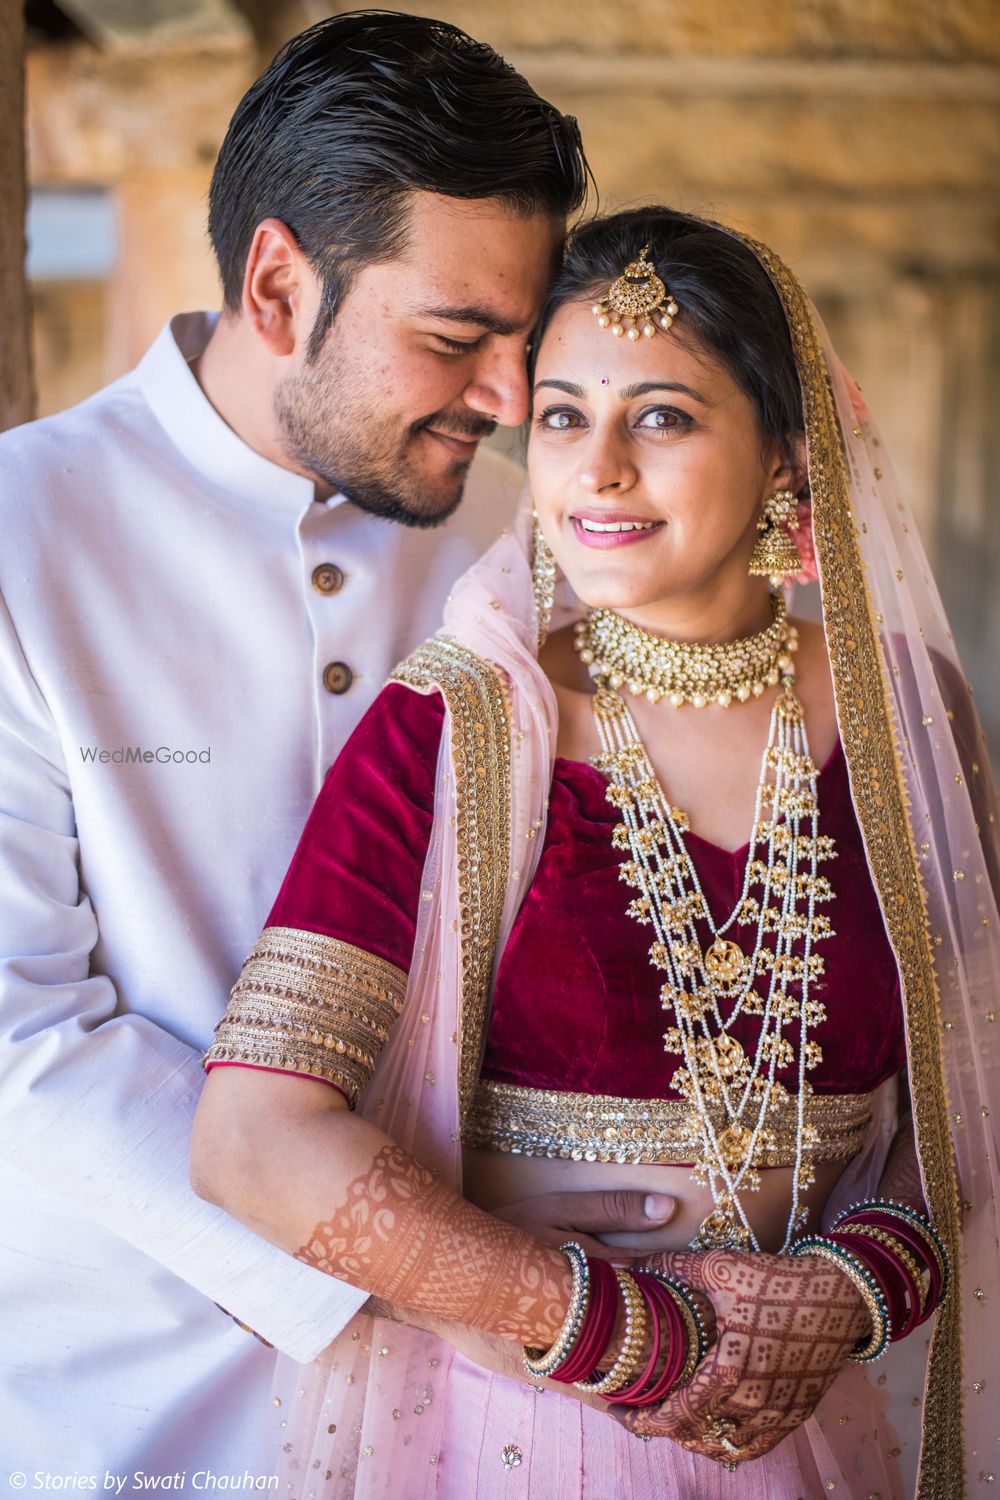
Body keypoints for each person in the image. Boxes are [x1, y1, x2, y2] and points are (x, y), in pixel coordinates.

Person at [192, 207, 999, 1498]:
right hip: (534, 1415)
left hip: (812, 1413)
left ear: (789, 455)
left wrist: (850, 1288)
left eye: (663, 418)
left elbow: (976, 1074)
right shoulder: (455, 724)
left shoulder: (906, 716)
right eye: (563, 418)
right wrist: (623, 1331)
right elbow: (252, 1140)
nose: (596, 470)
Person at [0, 12, 681, 1482]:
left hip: (516, 1416)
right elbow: (18, 1039)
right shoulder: (19, 537)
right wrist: (441, 1283)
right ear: (277, 282)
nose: (509, 401)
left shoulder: (536, 544)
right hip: (131, 1415)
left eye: (524, 340)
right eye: (456, 337)